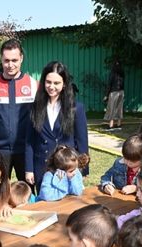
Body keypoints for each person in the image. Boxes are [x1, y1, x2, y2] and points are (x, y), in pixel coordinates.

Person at [25, 61, 89, 193]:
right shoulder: (33, 108)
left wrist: (83, 169)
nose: (51, 86)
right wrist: (29, 169)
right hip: (42, 167)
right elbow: (29, 141)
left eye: (56, 83)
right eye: (48, 82)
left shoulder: (76, 108)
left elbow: (82, 141)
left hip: (68, 168)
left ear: (64, 84)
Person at [0, 39, 37, 183]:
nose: (10, 65)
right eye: (6, 60)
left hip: (26, 150)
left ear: (21, 58)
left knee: (27, 192)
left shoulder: (33, 85)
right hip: (0, 151)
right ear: (1, 59)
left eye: (14, 60)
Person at [104, 58, 124, 129]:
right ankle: (119, 124)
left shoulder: (112, 73)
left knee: (112, 108)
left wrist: (106, 95)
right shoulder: (122, 73)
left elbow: (109, 84)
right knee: (119, 108)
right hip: (121, 92)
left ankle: (111, 125)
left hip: (114, 92)